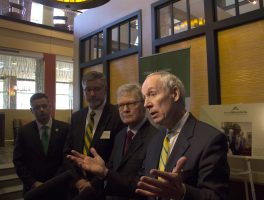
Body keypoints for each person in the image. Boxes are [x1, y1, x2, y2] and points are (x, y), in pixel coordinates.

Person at [68, 71, 229, 200]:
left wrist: (183, 192)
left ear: (175, 93)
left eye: (152, 94)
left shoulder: (210, 139)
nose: (146, 104)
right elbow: (141, 186)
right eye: (144, 98)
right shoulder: (157, 140)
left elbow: (217, 196)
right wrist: (105, 173)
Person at [63, 71, 124, 199]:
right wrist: (78, 180)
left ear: (105, 90)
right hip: (76, 187)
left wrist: (93, 183)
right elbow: (67, 153)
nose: (92, 94)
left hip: (102, 189)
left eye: (96, 89)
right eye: (88, 90)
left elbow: (116, 157)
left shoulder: (118, 115)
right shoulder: (76, 117)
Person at [13, 93, 69, 199]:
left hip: (59, 188)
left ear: (50, 106)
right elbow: (18, 161)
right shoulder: (24, 132)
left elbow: (68, 158)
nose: (42, 110)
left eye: (44, 106)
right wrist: (33, 182)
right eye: (37, 107)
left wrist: (54, 182)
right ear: (31, 110)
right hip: (33, 189)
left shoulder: (65, 129)